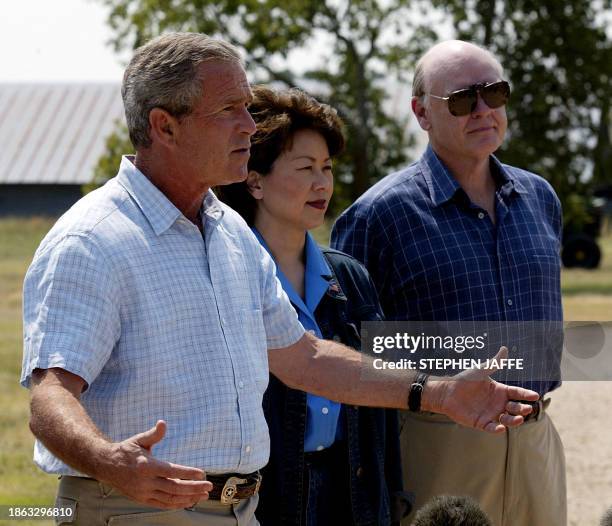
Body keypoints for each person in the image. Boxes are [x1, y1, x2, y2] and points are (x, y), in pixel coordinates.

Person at [21, 33, 539, 526]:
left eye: (247, 107)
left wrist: (440, 393)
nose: (249, 125)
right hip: (132, 509)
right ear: (165, 126)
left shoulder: (229, 235)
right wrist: (110, 461)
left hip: (240, 510)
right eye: (229, 110)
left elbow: (304, 358)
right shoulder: (92, 240)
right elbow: (50, 394)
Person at [332, 40, 565, 526]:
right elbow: (346, 353)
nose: (483, 110)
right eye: (462, 100)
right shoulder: (379, 216)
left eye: (494, 93)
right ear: (421, 113)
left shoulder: (540, 197)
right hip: (436, 443)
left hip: (536, 439)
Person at [218, 85, 410, 525]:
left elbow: (380, 411)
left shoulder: (351, 278)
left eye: (326, 167)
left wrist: (393, 498)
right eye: (305, 168)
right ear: (254, 180)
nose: (322, 183)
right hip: (265, 499)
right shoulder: (230, 275)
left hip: (354, 493)